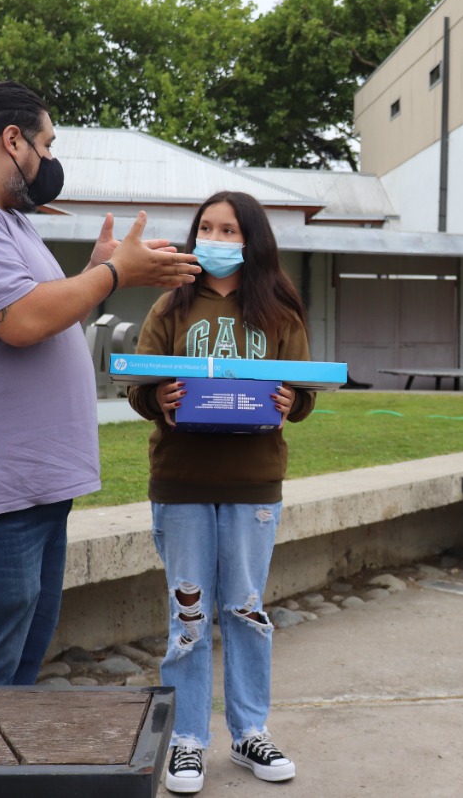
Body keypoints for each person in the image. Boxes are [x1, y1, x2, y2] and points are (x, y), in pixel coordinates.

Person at [0, 80, 200, 686]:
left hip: (24, 493)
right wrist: (113, 274)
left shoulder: (3, 218)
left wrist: (94, 271)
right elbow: (22, 322)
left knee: (13, 678)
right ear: (12, 140)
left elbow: (45, 313)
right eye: (46, 145)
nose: (50, 159)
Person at [127, 190, 315, 794]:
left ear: (251, 239)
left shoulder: (280, 311)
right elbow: (138, 385)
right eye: (206, 228)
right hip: (181, 481)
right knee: (188, 617)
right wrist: (157, 396)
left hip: (252, 484)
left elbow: (303, 392)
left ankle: (249, 730)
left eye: (228, 230)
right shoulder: (171, 305)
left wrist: (292, 399)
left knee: (247, 611)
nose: (215, 239)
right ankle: (186, 739)